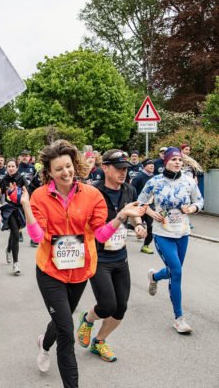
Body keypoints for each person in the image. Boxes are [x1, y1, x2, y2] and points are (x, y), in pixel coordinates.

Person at [20, 140, 144, 387]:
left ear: (74, 165)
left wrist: (120, 217)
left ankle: (44, 343)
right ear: (49, 173)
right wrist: (26, 206)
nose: (65, 173)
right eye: (58, 169)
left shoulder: (91, 195)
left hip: (79, 271)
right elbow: (36, 237)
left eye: (68, 166)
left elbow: (99, 236)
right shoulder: (40, 196)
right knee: (67, 332)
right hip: (50, 272)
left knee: (61, 322)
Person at [76, 150, 147, 362]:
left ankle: (99, 341)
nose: (123, 172)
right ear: (105, 168)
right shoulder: (92, 192)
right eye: (118, 168)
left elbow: (134, 215)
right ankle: (88, 319)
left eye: (125, 168)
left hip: (120, 256)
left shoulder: (129, 190)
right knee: (107, 305)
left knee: (121, 308)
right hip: (98, 257)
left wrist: (140, 225)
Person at [138, 147, 203, 334]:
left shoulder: (188, 181)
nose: (177, 162)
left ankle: (155, 276)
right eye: (173, 159)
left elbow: (199, 201)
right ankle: (179, 318)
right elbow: (141, 202)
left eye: (180, 160)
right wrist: (151, 212)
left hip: (182, 233)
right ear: (166, 161)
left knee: (175, 270)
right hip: (162, 233)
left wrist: (192, 209)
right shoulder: (155, 182)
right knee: (176, 272)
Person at [0, 159, 28, 275]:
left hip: (20, 209)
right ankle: (16, 263)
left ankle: (9, 249)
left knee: (13, 232)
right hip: (9, 209)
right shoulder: (4, 180)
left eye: (13, 166)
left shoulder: (21, 179)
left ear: (16, 167)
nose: (11, 168)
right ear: (7, 168)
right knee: (16, 234)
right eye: (9, 166)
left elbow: (27, 192)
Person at [131, 158, 156, 254]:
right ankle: (137, 230)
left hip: (150, 206)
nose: (152, 166)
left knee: (151, 226)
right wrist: (134, 204)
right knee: (137, 223)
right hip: (139, 206)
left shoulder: (155, 178)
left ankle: (145, 245)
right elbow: (132, 191)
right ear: (144, 166)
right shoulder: (138, 177)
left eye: (153, 165)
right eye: (149, 164)